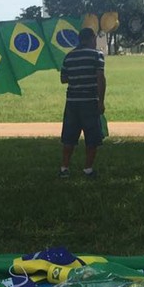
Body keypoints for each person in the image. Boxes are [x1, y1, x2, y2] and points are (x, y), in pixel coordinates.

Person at [59, 27, 105, 179]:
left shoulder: (69, 56)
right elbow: (100, 79)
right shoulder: (97, 55)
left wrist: (76, 76)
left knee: (69, 137)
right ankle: (88, 169)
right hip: (89, 101)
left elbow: (63, 79)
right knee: (92, 137)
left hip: (72, 102)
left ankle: (64, 168)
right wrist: (101, 101)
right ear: (92, 38)